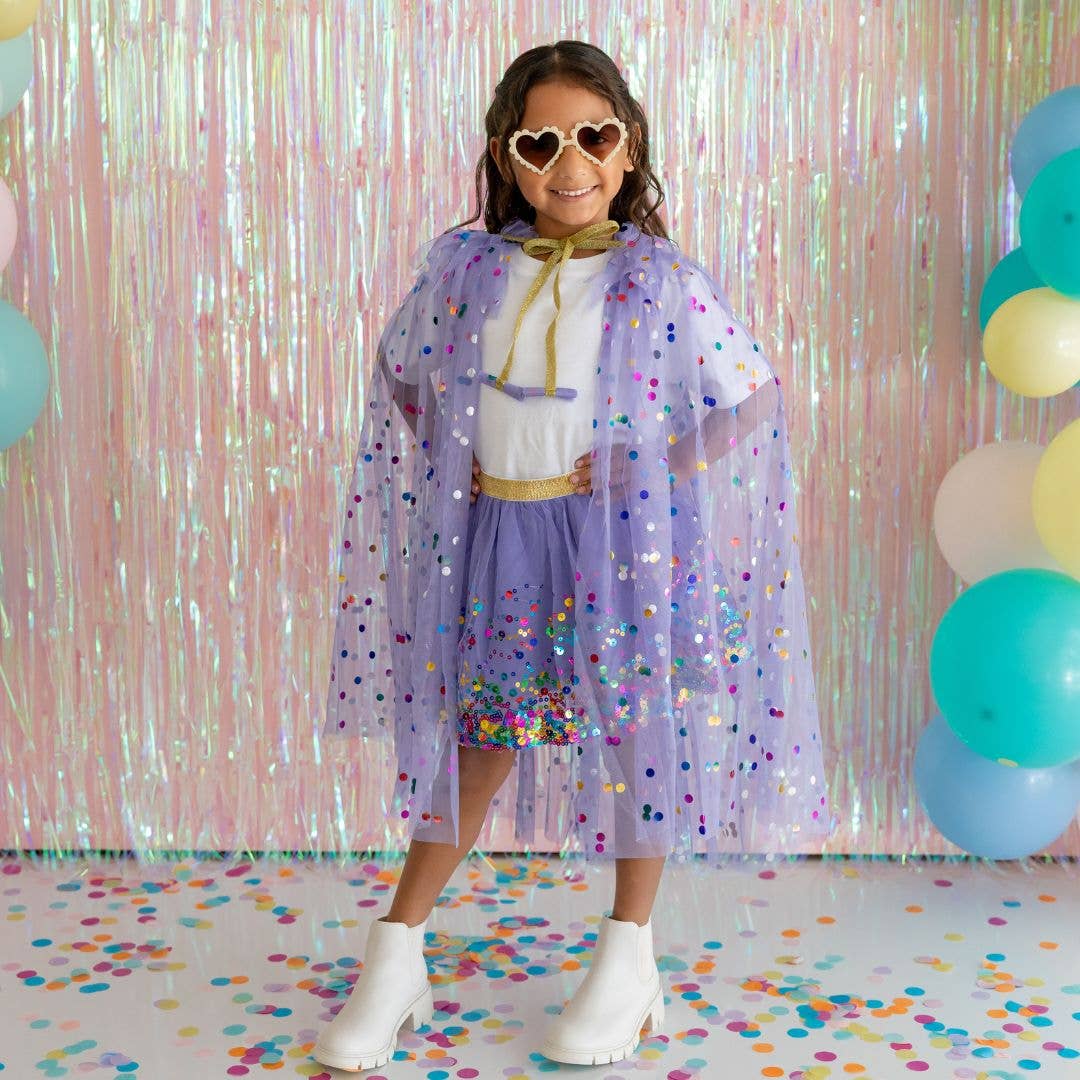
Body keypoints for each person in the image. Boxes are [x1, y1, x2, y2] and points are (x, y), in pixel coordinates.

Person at [315, 38, 832, 1073]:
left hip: (619, 545)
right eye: (540, 143)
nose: (570, 163)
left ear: (628, 147)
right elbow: (401, 370)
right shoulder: (469, 270)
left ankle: (629, 955)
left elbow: (751, 394)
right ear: (506, 159)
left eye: (593, 136)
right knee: (482, 743)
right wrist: (453, 451)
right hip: (502, 537)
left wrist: (657, 463)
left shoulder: (660, 281)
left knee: (637, 736)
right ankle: (397, 950)